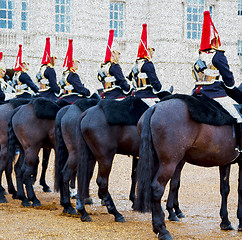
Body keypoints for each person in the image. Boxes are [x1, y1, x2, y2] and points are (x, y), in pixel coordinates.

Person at [192, 10, 242, 150]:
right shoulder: (219, 56)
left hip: (197, 91)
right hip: (214, 93)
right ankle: (240, 146)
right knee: (238, 116)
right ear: (215, 39)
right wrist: (230, 86)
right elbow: (229, 79)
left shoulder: (200, 56)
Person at [130, 24, 168, 105]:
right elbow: (155, 84)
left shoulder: (136, 64)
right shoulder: (148, 64)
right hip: (147, 96)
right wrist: (160, 88)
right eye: (152, 51)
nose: (152, 53)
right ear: (148, 51)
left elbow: (130, 78)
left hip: (137, 94)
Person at [97, 29, 132, 99]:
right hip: (116, 94)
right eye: (118, 54)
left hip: (105, 94)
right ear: (113, 54)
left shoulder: (103, 66)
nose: (119, 56)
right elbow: (121, 81)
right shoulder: (115, 66)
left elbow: (100, 78)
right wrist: (128, 88)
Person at [59, 39, 90, 104]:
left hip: (65, 97)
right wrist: (88, 92)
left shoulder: (65, 73)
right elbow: (80, 88)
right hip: (73, 98)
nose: (78, 64)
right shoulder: (73, 75)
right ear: (73, 63)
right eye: (77, 62)